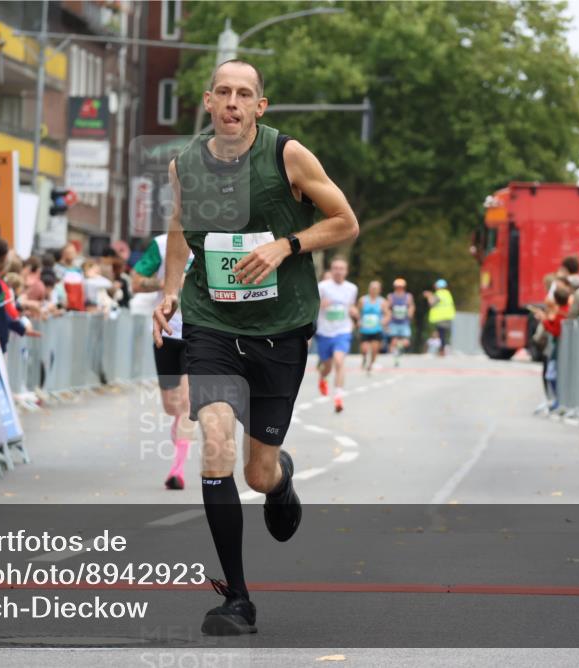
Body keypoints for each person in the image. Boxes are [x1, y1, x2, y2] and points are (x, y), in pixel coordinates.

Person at [152, 59, 359, 635]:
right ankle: (236, 598)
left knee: (257, 473)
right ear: (209, 101)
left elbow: (345, 222)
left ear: (260, 107)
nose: (234, 102)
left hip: (281, 329)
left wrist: (285, 245)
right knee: (214, 440)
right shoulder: (184, 165)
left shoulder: (288, 156)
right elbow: (177, 227)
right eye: (224, 92)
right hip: (212, 323)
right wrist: (170, 292)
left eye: (245, 94)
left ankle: (281, 476)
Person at [132, 232, 196, 490]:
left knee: (187, 403)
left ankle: (177, 470)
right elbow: (136, 282)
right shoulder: (161, 244)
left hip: (201, 332)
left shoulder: (216, 239)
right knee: (172, 406)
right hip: (167, 331)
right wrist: (168, 284)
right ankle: (178, 424)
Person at [316, 257, 358, 413]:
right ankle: (322, 378)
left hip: (343, 331)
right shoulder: (322, 287)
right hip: (324, 332)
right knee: (327, 366)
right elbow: (311, 307)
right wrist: (320, 305)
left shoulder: (352, 288)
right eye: (335, 268)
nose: (338, 271)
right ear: (331, 270)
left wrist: (354, 312)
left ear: (346, 271)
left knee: (339, 361)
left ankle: (338, 396)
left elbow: (351, 307)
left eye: (342, 268)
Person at [357, 280, 387, 374]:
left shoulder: (382, 301)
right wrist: (358, 321)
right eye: (372, 288)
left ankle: (371, 364)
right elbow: (358, 312)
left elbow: (387, 314)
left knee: (374, 349)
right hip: (365, 329)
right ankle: (364, 358)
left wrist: (384, 320)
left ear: (379, 290)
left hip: (376, 329)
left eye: (376, 288)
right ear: (369, 289)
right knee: (364, 349)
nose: (374, 290)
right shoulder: (363, 300)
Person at [386, 277, 414, 366]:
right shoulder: (391, 296)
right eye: (397, 286)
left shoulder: (408, 296)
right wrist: (388, 317)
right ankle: (396, 357)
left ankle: (399, 348)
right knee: (394, 340)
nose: (399, 288)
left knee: (406, 342)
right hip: (394, 322)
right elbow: (387, 308)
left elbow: (411, 306)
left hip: (404, 322)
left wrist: (410, 313)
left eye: (401, 286)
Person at [424, 278, 455, 356]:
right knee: (443, 334)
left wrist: (429, 296)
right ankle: (442, 349)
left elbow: (431, 303)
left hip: (440, 317)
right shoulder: (447, 293)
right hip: (448, 316)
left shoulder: (439, 294)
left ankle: (441, 350)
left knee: (441, 334)